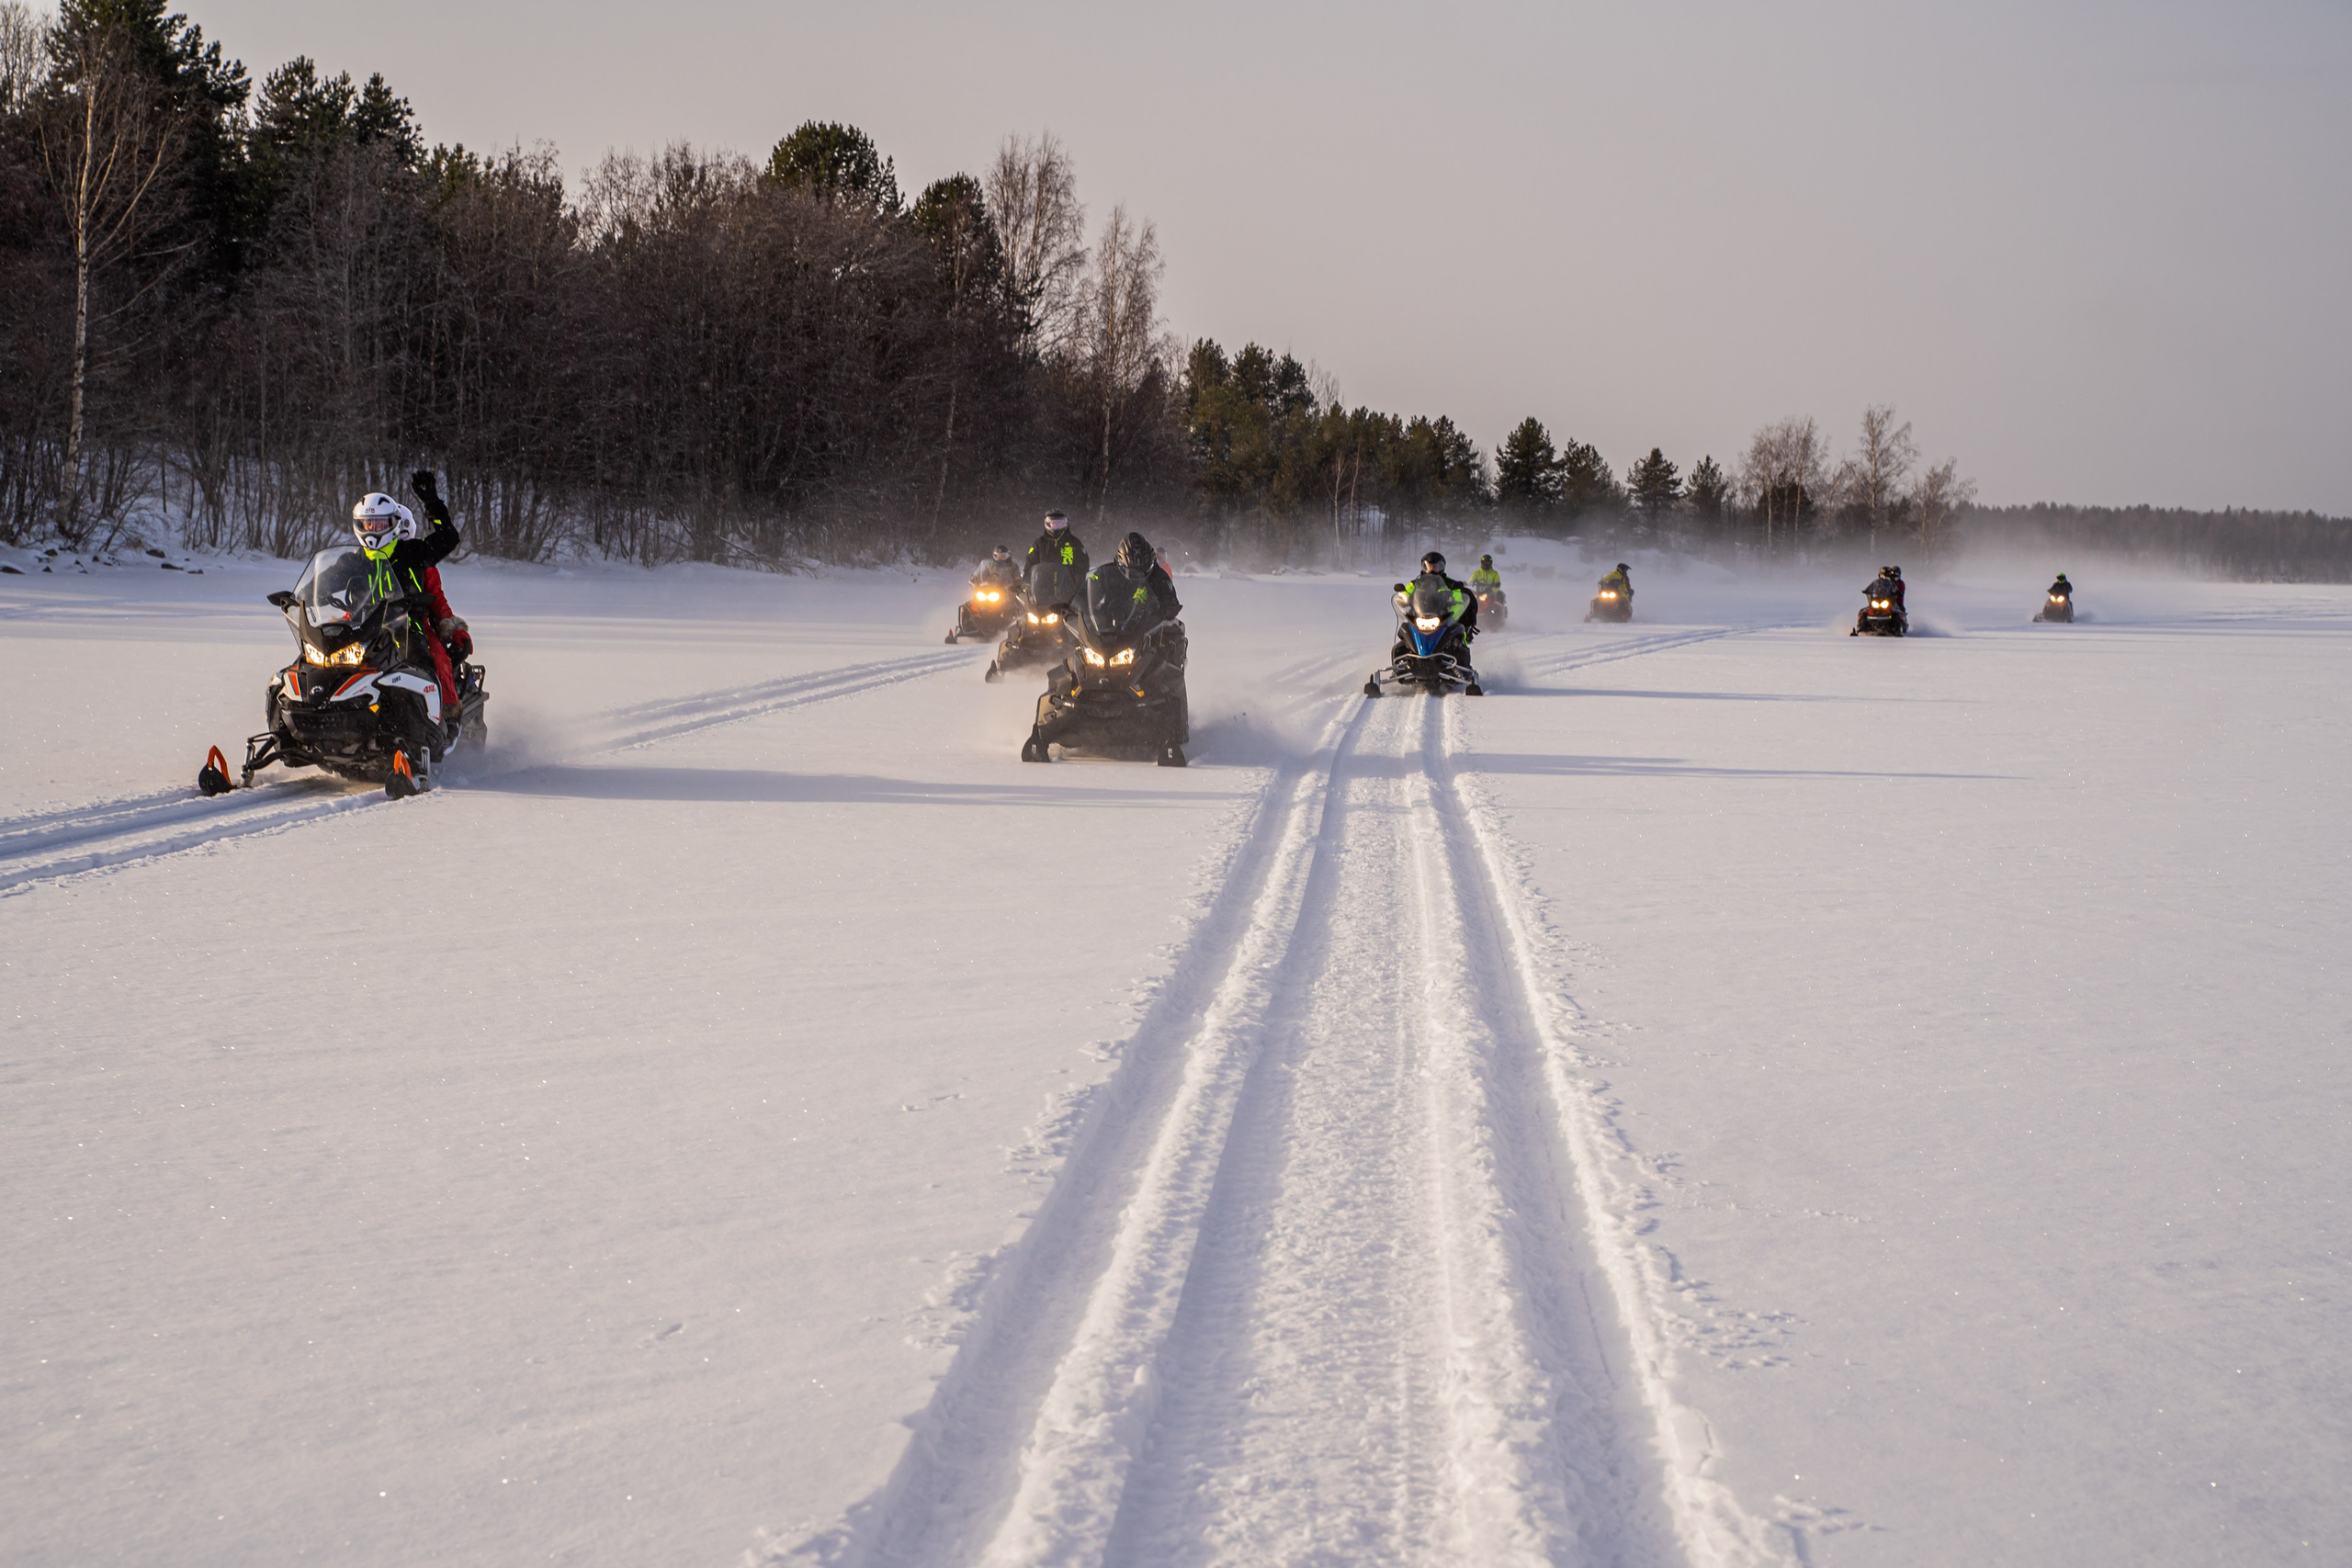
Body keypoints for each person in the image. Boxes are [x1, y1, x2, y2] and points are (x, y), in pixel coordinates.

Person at [350, 474, 463, 720]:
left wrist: (432, 503)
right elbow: (323, 583)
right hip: (364, 631)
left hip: (409, 629)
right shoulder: (352, 561)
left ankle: (445, 717)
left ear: (393, 524)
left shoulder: (413, 552)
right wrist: (303, 602)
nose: (373, 530)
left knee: (434, 660)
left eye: (380, 524)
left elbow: (448, 538)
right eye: (368, 524)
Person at [1024, 511, 1089, 607]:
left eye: (1059, 524)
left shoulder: (1074, 543)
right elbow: (1030, 564)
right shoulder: (1040, 543)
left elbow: (1083, 564)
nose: (1056, 527)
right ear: (1047, 524)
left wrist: (1079, 584)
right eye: (1052, 524)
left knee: (1080, 609)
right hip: (1042, 590)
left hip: (1068, 592)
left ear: (1066, 524)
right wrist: (1026, 584)